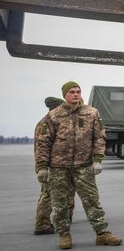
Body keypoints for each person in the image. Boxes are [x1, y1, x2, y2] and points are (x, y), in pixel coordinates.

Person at [35, 81, 122, 249]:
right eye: (72, 92)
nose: (76, 94)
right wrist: (42, 167)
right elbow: (43, 142)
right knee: (60, 203)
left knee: (92, 200)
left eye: (78, 91)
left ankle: (102, 234)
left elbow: (99, 137)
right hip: (59, 167)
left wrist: (97, 160)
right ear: (65, 95)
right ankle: (64, 235)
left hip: (84, 166)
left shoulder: (92, 113)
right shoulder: (53, 116)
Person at [34, 97, 72, 235]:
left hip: (55, 165)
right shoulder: (46, 123)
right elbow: (42, 148)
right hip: (50, 166)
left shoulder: (51, 121)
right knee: (48, 195)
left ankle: (47, 221)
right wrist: (43, 167)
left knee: (50, 194)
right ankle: (42, 224)